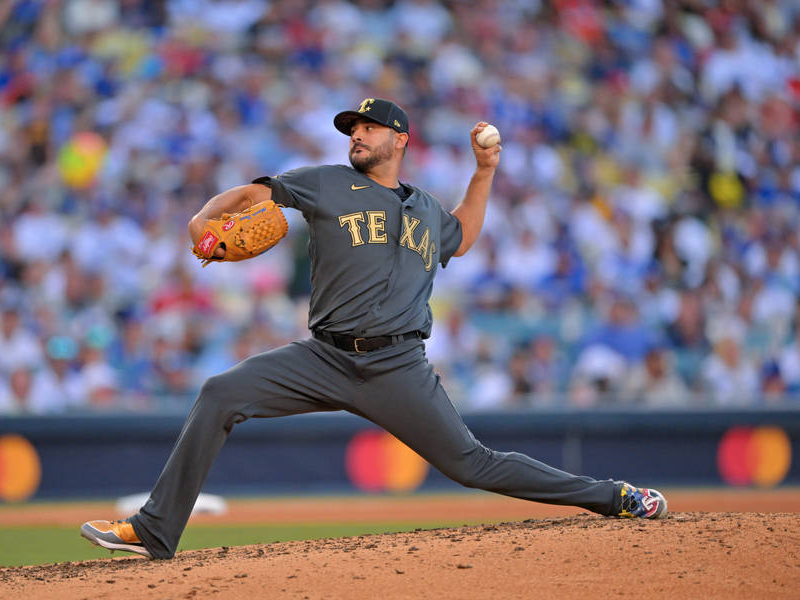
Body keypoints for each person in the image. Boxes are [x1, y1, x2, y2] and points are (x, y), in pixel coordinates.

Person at [81, 98, 667, 559]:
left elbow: (462, 234)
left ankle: (614, 497)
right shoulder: (328, 182)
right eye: (352, 128)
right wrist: (203, 220)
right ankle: (155, 531)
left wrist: (484, 170)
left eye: (368, 127)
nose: (356, 135)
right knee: (220, 393)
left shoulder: (426, 210)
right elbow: (254, 193)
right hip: (324, 357)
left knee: (472, 464)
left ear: (399, 139)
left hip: (397, 368)